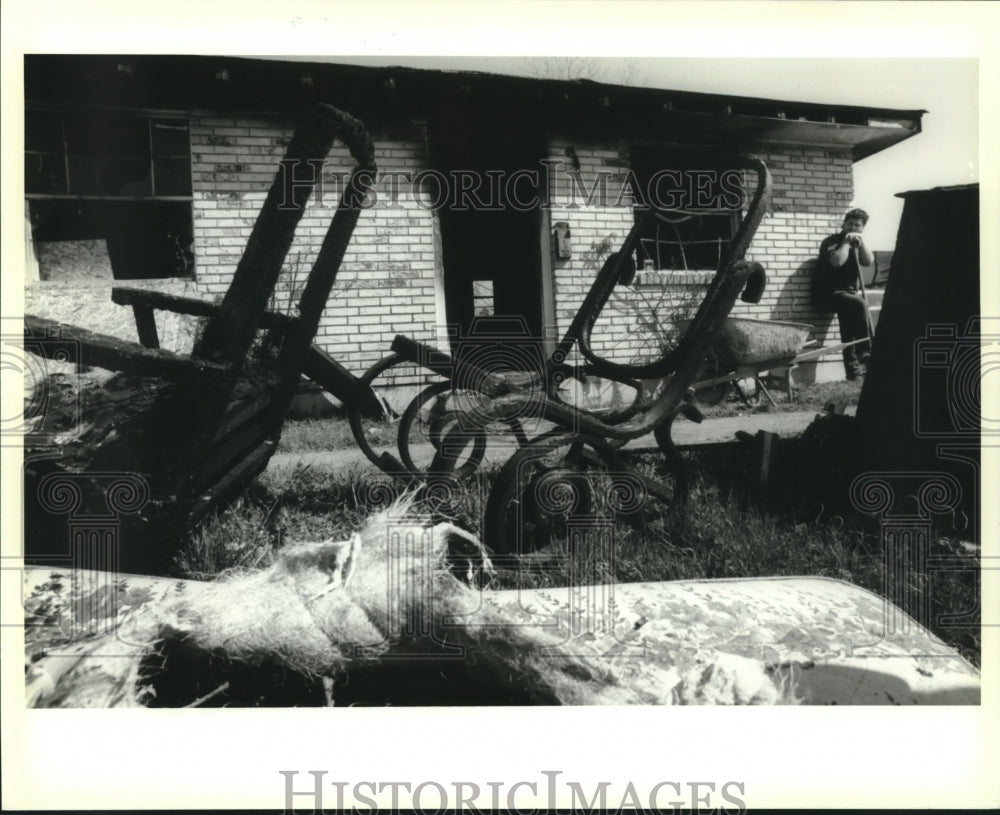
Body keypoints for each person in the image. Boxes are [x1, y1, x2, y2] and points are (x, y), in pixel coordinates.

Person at [813, 208, 875, 380]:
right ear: (843, 224)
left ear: (862, 228)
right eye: (850, 224)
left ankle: (853, 372)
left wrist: (861, 244)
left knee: (848, 330)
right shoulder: (831, 242)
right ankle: (865, 349)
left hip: (847, 296)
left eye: (858, 225)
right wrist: (846, 243)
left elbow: (868, 262)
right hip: (827, 293)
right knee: (860, 303)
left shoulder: (859, 243)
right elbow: (837, 262)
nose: (853, 228)